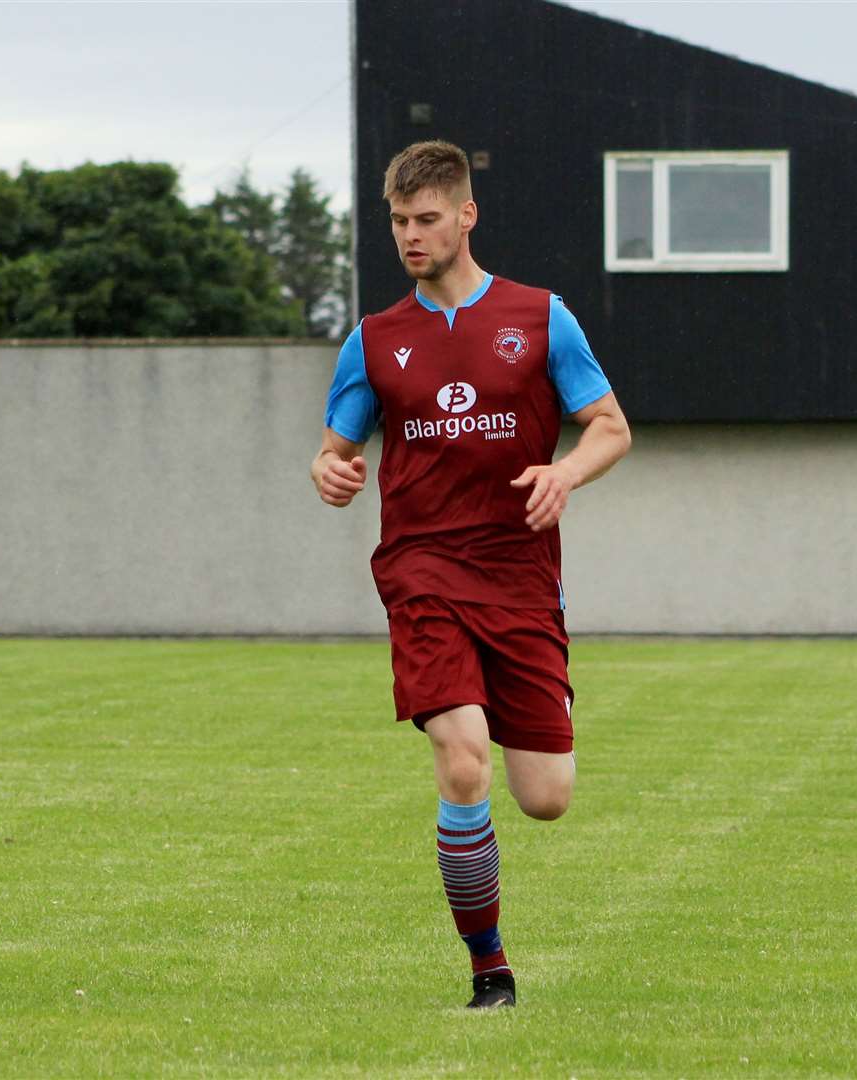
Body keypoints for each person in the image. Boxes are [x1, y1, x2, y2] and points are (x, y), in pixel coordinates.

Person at [311, 141, 631, 1009]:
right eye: (397, 222)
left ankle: (523, 727)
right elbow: (335, 451)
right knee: (461, 763)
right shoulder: (375, 340)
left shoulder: (540, 317)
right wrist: (330, 472)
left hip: (520, 578)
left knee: (545, 798)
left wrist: (564, 471)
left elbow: (609, 427)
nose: (409, 237)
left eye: (424, 220)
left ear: (465, 216)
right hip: (420, 571)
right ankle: (488, 969)